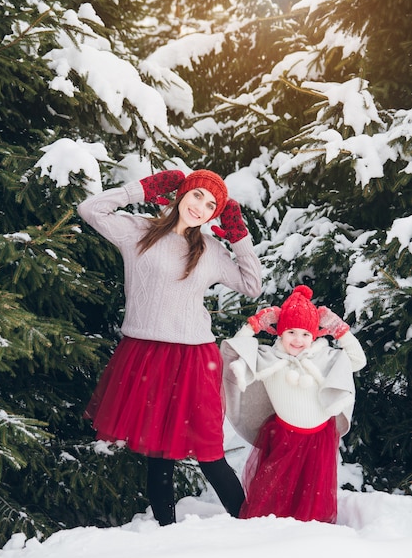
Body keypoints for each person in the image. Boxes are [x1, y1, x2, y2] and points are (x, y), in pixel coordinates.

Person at [77, 168, 262, 526]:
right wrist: (141, 190)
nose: (201, 208)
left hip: (194, 357)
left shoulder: (209, 249)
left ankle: (249, 526)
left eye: (211, 206)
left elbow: (252, 285)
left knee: (210, 453)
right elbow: (90, 209)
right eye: (197, 196)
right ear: (181, 193)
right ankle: (165, 534)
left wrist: (239, 237)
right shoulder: (138, 232)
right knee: (157, 453)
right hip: (145, 353)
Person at [220, 285, 366, 523]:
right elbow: (235, 351)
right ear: (280, 333)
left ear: (315, 335)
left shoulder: (326, 358)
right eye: (291, 333)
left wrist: (339, 329)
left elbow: (358, 360)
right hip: (283, 437)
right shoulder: (268, 357)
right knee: (273, 496)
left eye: (306, 334)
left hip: (318, 439)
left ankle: (305, 543)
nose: (298, 340)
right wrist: (254, 324)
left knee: (311, 497)